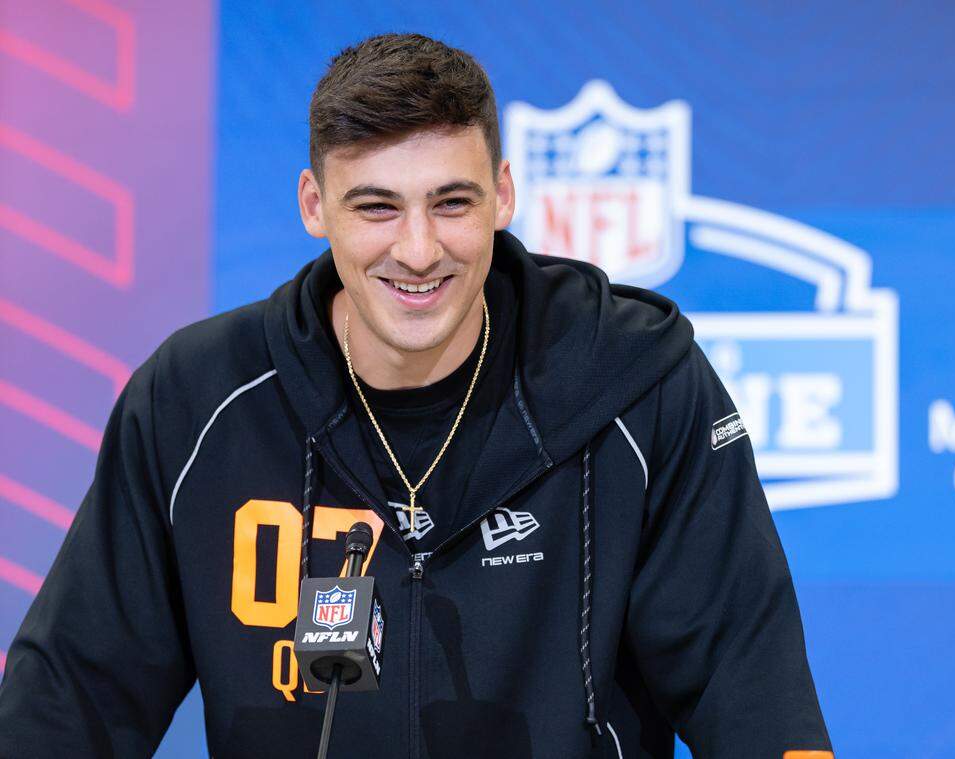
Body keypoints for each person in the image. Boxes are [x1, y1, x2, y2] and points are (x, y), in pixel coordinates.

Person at [0, 33, 831, 758]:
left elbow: (750, 684)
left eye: (452, 202)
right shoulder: (196, 400)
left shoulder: (640, 385)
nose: (420, 248)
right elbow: (72, 696)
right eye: (377, 207)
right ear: (314, 206)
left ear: (502, 194)